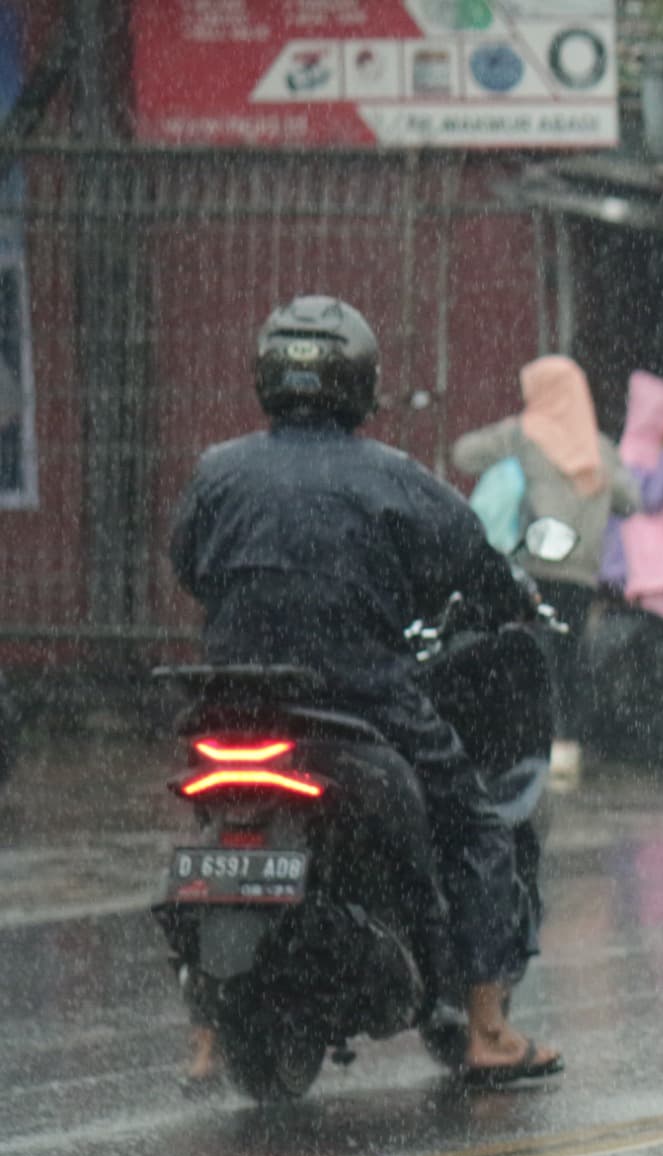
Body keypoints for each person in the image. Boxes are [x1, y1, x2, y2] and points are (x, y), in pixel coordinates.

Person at [172, 296, 562, 1086]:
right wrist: (513, 601)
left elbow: (189, 564)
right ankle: (487, 1032)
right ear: (360, 382)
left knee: (206, 819)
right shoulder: (391, 477)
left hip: (234, 701)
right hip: (360, 701)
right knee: (478, 826)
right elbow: (476, 566)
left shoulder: (218, 470)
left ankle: (207, 1040)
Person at [451, 356, 639, 787]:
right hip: (581, 573)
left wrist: (515, 445)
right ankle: (566, 745)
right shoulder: (599, 448)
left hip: (534, 565)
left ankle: (526, 744)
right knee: (569, 657)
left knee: (529, 656)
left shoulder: (524, 435)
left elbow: (463, 454)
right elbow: (633, 501)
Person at [600, 369, 663, 637]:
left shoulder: (647, 450)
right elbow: (649, 499)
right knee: (660, 631)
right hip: (649, 566)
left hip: (657, 565)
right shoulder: (634, 454)